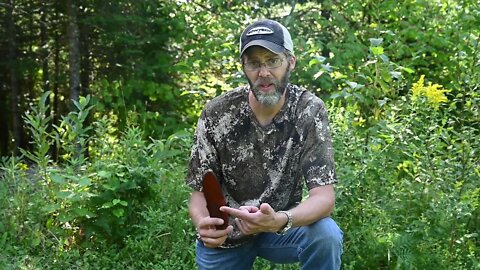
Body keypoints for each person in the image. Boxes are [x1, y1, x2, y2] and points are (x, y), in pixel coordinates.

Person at [186, 18, 343, 270]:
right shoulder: (217, 113)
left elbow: (324, 198)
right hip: (228, 235)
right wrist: (203, 223)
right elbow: (198, 194)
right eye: (254, 63)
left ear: (290, 61)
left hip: (280, 227)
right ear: (243, 66)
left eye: (273, 61)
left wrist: (280, 220)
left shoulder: (308, 110)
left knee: (326, 235)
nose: (264, 73)